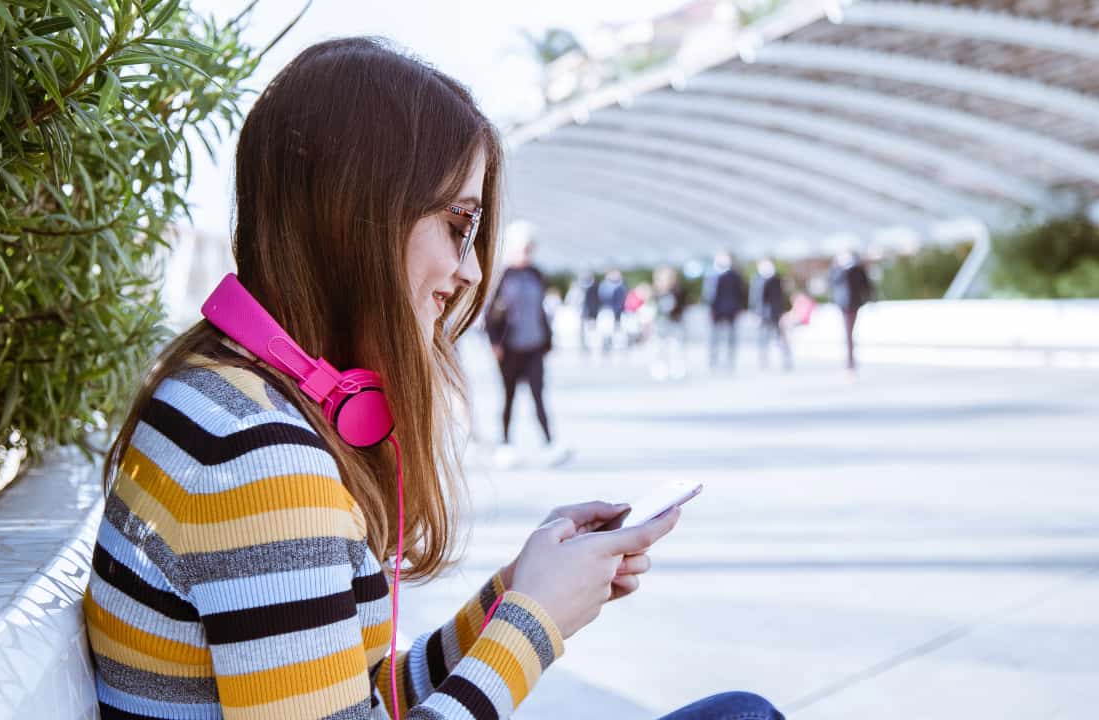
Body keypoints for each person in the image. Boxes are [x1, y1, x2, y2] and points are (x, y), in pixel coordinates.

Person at [81, 38, 781, 720]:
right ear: (358, 216)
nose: (471, 270)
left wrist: (514, 594)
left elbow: (366, 698)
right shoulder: (259, 456)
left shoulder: (218, 397)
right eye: (458, 224)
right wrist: (533, 628)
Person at [485, 223, 570, 468]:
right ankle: (505, 444)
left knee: (538, 396)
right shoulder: (501, 278)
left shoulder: (536, 275)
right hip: (509, 349)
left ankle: (550, 443)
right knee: (509, 397)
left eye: (530, 249)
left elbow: (542, 311)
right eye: (523, 248)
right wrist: (494, 343)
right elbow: (490, 316)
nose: (526, 254)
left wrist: (547, 340)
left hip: (534, 347)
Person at [830, 248, 873, 377]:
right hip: (843, 305)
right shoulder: (837, 271)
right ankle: (850, 362)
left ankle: (850, 362)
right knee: (848, 333)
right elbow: (833, 283)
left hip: (854, 304)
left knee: (849, 333)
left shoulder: (857, 270)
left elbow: (866, 285)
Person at [703, 250, 746, 372]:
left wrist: (739, 308)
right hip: (716, 312)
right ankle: (713, 361)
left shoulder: (735, 276)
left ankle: (729, 361)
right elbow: (708, 295)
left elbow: (741, 293)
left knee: (731, 337)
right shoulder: (711, 275)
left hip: (731, 311)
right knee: (714, 337)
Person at [750, 258, 793, 371]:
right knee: (763, 338)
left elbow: (784, 297)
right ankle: (763, 359)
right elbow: (754, 298)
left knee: (780, 337)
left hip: (776, 313)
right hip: (762, 314)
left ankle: (786, 359)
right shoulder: (757, 279)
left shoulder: (777, 279)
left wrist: (785, 312)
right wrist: (755, 313)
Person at [650, 265, 689, 380]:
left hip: (675, 323)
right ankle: (660, 369)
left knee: (677, 347)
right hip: (661, 324)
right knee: (660, 348)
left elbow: (682, 306)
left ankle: (678, 369)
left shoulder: (678, 291)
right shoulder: (656, 292)